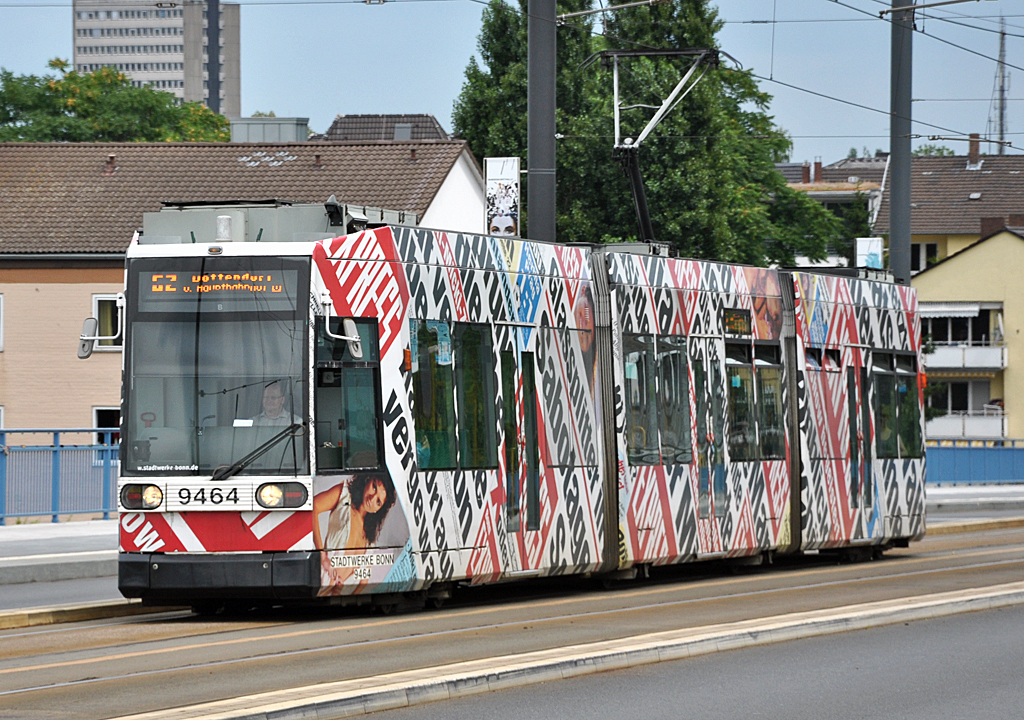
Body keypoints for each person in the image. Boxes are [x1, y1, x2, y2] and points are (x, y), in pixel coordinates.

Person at [312, 473, 398, 587]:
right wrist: (322, 556)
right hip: (318, 584)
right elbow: (313, 507)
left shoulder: (370, 539)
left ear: (379, 509)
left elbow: (364, 581)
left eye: (378, 502)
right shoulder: (344, 495)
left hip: (342, 596)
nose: (371, 499)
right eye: (374, 486)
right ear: (368, 479)